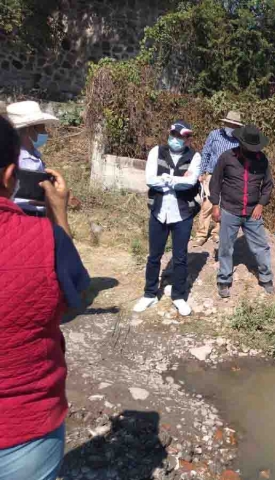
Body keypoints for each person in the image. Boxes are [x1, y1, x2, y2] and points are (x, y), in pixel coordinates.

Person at [0, 116, 90, 480]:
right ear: (10, 176)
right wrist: (59, 212)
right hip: (26, 431)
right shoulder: (45, 240)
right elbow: (72, 297)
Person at [133, 121, 202, 316]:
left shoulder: (194, 156)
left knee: (180, 257)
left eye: (181, 137)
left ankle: (179, 296)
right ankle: (150, 294)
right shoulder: (157, 151)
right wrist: (175, 182)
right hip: (159, 211)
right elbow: (150, 179)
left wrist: (167, 179)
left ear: (188, 139)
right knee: (154, 256)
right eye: (174, 135)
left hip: (182, 214)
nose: (177, 139)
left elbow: (190, 183)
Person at [209, 124, 274, 298]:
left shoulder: (262, 160)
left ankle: (266, 278)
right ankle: (224, 280)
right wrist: (215, 205)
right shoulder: (226, 158)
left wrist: (261, 204)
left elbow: (268, 186)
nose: (253, 151)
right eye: (249, 148)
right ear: (241, 143)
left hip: (253, 212)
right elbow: (215, 182)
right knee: (225, 247)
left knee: (261, 247)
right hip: (230, 209)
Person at [194, 111, 244, 247]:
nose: (231, 127)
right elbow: (206, 153)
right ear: (225, 123)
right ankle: (201, 234)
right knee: (208, 205)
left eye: (234, 125)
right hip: (211, 174)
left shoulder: (239, 141)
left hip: (228, 177)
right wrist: (202, 172)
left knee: (223, 206)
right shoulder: (214, 135)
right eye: (230, 124)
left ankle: (216, 233)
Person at [6, 100, 60, 217]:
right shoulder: (22, 160)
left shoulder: (33, 155)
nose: (45, 133)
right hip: (26, 214)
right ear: (30, 129)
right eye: (42, 128)